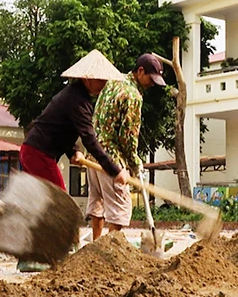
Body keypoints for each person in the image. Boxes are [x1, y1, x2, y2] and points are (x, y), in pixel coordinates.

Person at [16, 49, 131, 271]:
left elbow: (63, 128)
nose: (104, 83)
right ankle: (61, 252)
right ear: (87, 78)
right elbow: (90, 139)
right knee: (62, 204)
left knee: (46, 205)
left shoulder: (75, 96)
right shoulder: (77, 100)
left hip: (36, 150)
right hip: (38, 153)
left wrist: (72, 152)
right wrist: (115, 170)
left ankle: (34, 254)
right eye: (100, 79)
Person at [86, 53, 165, 240]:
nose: (152, 84)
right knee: (120, 213)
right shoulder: (133, 96)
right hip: (111, 160)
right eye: (150, 79)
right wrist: (134, 162)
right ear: (140, 71)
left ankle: (93, 250)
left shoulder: (113, 81)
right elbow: (127, 137)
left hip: (93, 153)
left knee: (97, 206)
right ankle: (106, 254)